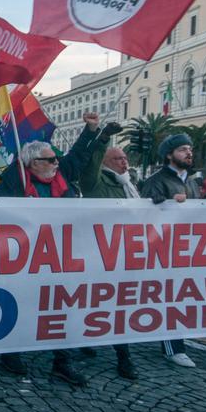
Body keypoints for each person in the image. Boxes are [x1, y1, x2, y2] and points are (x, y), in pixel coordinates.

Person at [0, 112, 99, 386]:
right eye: (50, 159)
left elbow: (78, 156)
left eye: (55, 159)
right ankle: (10, 353)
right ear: (32, 162)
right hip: (26, 259)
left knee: (62, 309)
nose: (56, 163)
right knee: (22, 305)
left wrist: (92, 130)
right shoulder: (14, 182)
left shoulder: (63, 178)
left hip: (62, 257)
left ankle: (62, 362)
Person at [80, 123, 141, 379]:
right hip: (99, 253)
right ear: (105, 162)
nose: (123, 162)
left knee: (120, 305)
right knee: (91, 300)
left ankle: (123, 355)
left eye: (125, 158)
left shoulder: (130, 184)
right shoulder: (95, 181)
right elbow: (90, 162)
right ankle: (81, 341)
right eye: (117, 158)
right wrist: (102, 137)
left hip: (125, 252)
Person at [140, 132, 203, 368]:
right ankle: (173, 347)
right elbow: (146, 209)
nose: (188, 153)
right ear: (169, 155)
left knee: (182, 297)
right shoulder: (157, 180)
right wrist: (165, 202)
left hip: (188, 249)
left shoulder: (192, 182)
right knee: (169, 298)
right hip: (164, 251)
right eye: (182, 149)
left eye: (190, 149)